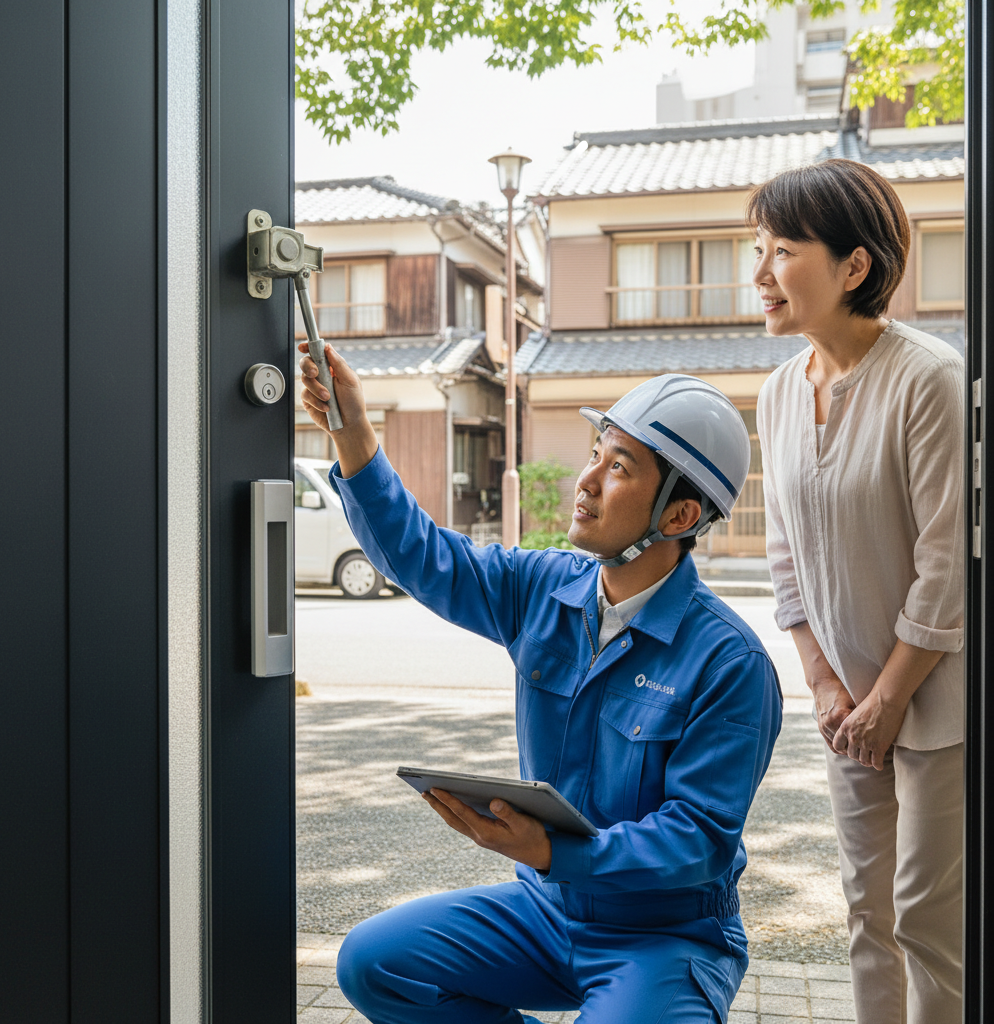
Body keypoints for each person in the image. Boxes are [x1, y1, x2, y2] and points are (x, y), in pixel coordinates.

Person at [300, 346, 782, 1023]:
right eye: (597, 453)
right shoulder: (545, 589)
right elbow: (422, 556)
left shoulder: (729, 662)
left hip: (664, 937)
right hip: (546, 912)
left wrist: (553, 850)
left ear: (678, 517)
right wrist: (353, 433)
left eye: (619, 469)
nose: (586, 481)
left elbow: (699, 838)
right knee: (375, 963)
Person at [752, 158, 964, 1024]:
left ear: (853, 267)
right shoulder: (775, 391)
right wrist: (829, 686)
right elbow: (784, 556)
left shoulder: (928, 378)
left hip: (937, 701)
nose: (760, 272)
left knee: (927, 919)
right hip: (848, 706)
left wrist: (887, 697)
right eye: (757, 248)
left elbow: (947, 563)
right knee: (865, 913)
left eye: (783, 249)